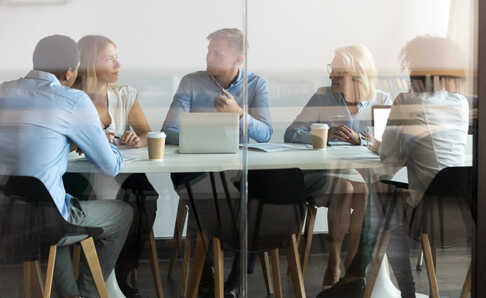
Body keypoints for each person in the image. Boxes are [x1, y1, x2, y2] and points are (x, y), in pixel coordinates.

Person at [318, 35, 470, 298]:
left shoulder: (408, 101)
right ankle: (362, 279)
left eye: (412, 67)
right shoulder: (461, 102)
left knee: (380, 196)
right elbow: (416, 147)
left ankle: (361, 280)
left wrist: (378, 146)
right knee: (384, 200)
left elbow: (389, 158)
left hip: (425, 212)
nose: (409, 72)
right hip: (461, 209)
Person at [0, 35, 132, 298]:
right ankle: (89, 293)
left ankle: (71, 295)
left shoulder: (3, 90)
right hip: (47, 220)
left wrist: (64, 143)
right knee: (122, 213)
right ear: (71, 71)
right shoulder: (73, 100)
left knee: (50, 208)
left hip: (6, 216)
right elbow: (109, 167)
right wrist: (109, 143)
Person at [161, 28, 272, 298]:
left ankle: (236, 277)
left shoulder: (256, 85)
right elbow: (169, 130)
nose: (208, 57)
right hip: (195, 171)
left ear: (238, 59)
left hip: (235, 171)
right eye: (209, 51)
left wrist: (238, 115)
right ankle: (206, 272)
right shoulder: (191, 82)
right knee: (213, 195)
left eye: (217, 53)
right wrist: (217, 132)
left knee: (253, 196)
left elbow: (266, 134)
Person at [284, 44, 392, 288]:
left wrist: (361, 140)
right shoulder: (323, 96)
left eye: (338, 72)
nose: (331, 75)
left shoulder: (382, 100)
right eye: (331, 70)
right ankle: (334, 263)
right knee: (345, 187)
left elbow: (389, 145)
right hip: (325, 174)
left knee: (362, 190)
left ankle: (352, 266)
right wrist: (324, 134)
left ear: (357, 74)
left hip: (363, 176)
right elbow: (291, 133)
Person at [65, 34, 156, 298]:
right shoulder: (68, 97)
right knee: (94, 202)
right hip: (78, 175)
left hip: (120, 171)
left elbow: (147, 134)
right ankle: (93, 275)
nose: (117, 65)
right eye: (109, 59)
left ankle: (120, 273)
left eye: (117, 57)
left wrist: (134, 138)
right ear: (90, 63)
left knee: (146, 198)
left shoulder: (125, 95)